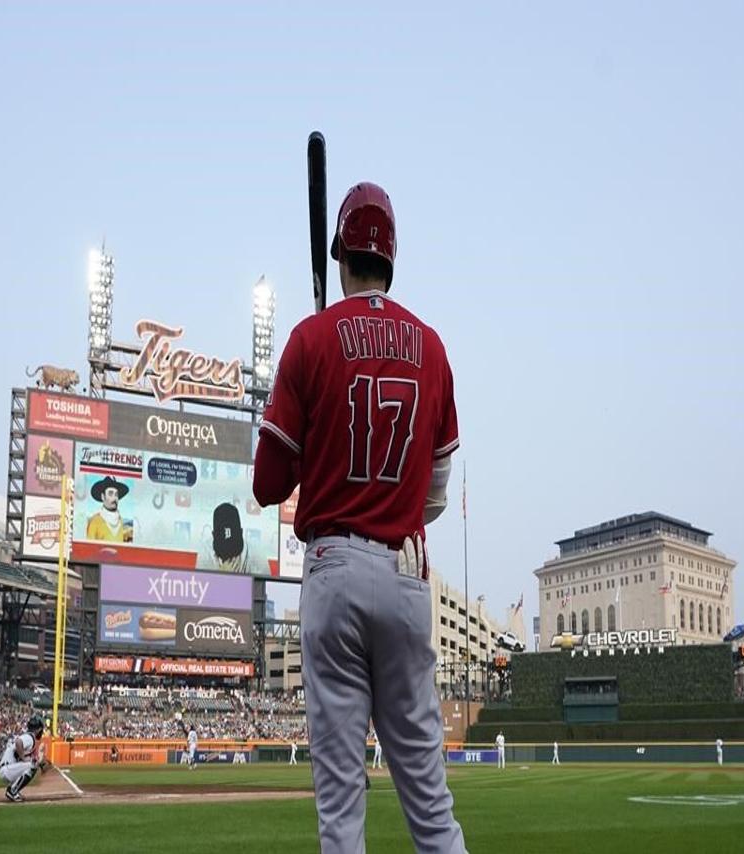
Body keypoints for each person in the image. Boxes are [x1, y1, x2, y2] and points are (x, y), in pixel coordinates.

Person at [253, 181, 465, 854]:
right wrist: (393, 508)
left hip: (335, 568)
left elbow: (266, 484)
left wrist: (317, 440)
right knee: (431, 806)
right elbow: (434, 492)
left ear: (340, 253)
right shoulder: (432, 347)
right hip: (406, 572)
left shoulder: (311, 339)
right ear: (392, 259)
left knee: (341, 810)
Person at [0, 715, 45, 803]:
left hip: (8, 768)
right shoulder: (30, 737)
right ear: (38, 729)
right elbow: (18, 742)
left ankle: (13, 789)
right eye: (41, 729)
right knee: (33, 765)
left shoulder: (26, 735)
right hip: (7, 770)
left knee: (32, 763)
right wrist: (24, 758)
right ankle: (12, 791)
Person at [86, 476, 132, 542]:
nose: (114, 498)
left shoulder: (120, 521)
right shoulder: (95, 522)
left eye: (116, 494)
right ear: (103, 496)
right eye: (110, 494)